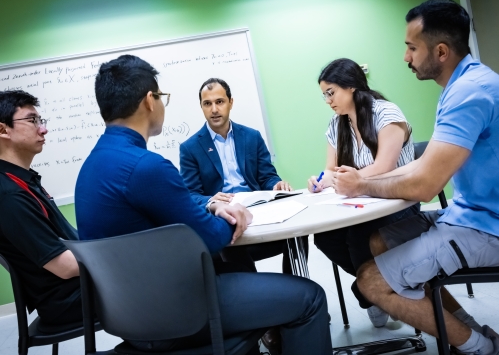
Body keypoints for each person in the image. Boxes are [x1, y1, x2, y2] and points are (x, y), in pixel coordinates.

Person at [75, 55, 332, 354]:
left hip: (126, 315)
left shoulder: (90, 167)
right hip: (179, 312)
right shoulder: (147, 167)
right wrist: (229, 213)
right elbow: (210, 238)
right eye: (161, 98)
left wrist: (209, 208)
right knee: (310, 297)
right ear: (149, 101)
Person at [332, 0, 499, 354]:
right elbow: (419, 166)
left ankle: (482, 349)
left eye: (411, 48)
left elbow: (425, 185)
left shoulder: (470, 92)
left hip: (489, 228)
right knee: (378, 241)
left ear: (440, 51)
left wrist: (362, 183)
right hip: (470, 216)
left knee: (370, 283)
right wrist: (364, 181)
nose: (406, 57)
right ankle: (471, 335)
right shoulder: (459, 85)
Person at [307, 58, 420, 327]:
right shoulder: (337, 124)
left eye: (331, 92)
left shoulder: (386, 113)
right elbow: (330, 169)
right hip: (361, 203)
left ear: (352, 87)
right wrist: (320, 181)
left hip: (397, 200)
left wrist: (354, 180)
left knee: (359, 237)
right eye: (324, 95)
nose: (328, 101)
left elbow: (384, 166)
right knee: (324, 237)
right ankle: (373, 290)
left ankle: (371, 292)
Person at [180, 78, 306, 275]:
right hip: (225, 215)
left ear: (231, 102)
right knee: (228, 237)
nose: (214, 109)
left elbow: (267, 177)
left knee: (299, 231)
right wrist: (211, 200)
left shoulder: (251, 136)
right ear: (201, 107)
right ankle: (253, 294)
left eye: (219, 102)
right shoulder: (190, 148)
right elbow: (190, 195)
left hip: (256, 207)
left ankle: (296, 287)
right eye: (207, 103)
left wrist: (276, 184)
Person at [0, 90, 82, 333]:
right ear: (3, 130)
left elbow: (68, 239)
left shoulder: (23, 181)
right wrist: (120, 255)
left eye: (41, 121)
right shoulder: (9, 195)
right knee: (151, 277)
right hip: (66, 300)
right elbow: (65, 267)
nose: (43, 129)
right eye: (32, 120)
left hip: (74, 290)